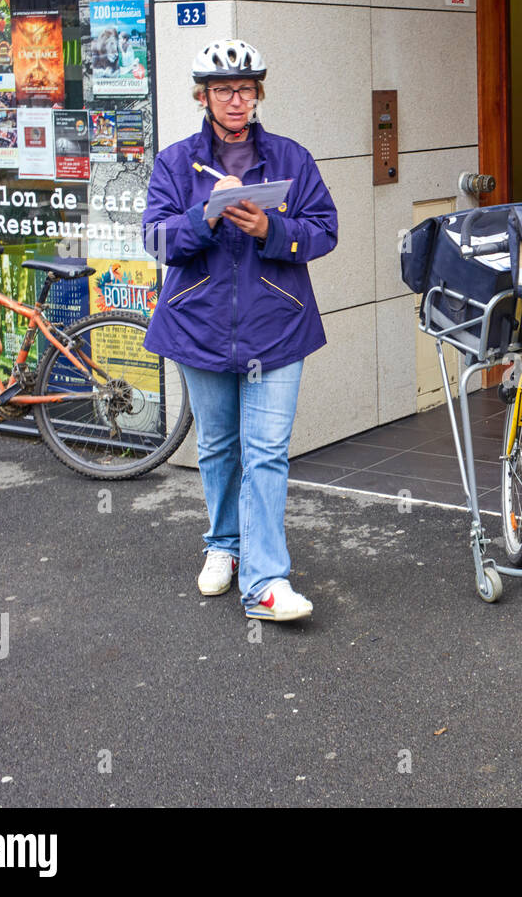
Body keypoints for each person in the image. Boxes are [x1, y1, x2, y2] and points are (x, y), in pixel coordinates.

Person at [142, 39, 337, 621]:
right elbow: (154, 239)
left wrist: (270, 229)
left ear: (258, 95)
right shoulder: (176, 162)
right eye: (223, 89)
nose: (235, 99)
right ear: (203, 96)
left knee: (268, 452)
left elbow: (324, 231)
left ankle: (265, 581)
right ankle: (224, 545)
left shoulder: (291, 159)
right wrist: (205, 216)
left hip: (276, 326)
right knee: (220, 446)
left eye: (246, 89)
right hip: (199, 326)